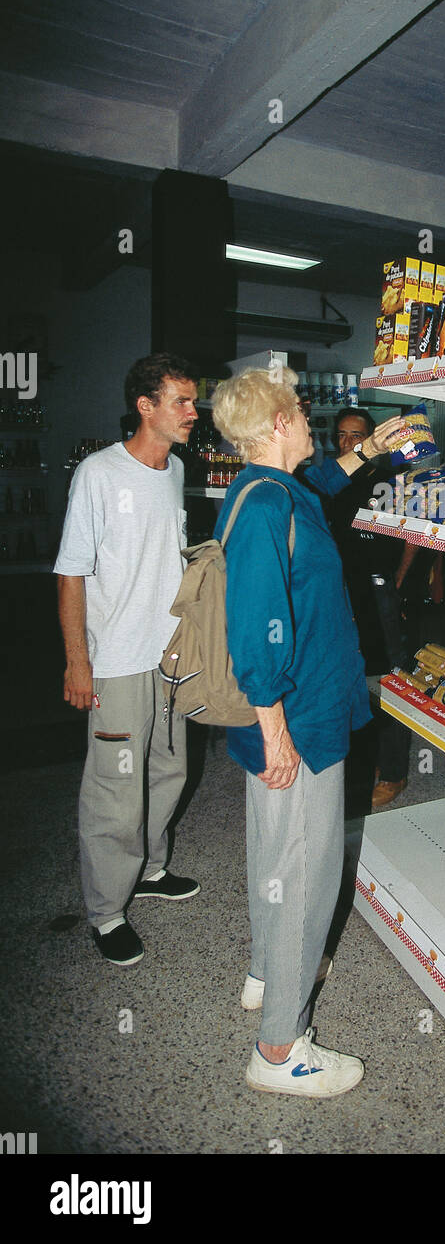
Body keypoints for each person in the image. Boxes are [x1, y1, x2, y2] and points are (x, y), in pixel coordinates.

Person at [210, 366, 403, 1097]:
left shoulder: (275, 490)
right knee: (305, 874)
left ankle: (265, 973)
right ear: (278, 422)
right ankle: (281, 1050)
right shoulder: (265, 508)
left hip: (302, 710)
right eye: (297, 409)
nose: (309, 420)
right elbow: (253, 631)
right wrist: (277, 733)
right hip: (297, 719)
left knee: (274, 855)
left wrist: (369, 449)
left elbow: (318, 484)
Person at [55, 353, 201, 968]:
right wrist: (77, 663)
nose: (194, 413)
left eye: (194, 402)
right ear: (146, 405)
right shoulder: (98, 473)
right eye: (182, 402)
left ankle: (151, 867)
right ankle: (107, 910)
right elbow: (70, 573)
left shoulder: (174, 470)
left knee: (169, 769)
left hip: (170, 653)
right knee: (116, 787)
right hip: (114, 659)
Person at [327, 407, 419, 810]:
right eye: (343, 436)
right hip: (338, 593)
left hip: (379, 591)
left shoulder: (391, 481)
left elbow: (414, 535)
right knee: (349, 678)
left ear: (373, 440)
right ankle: (355, 764)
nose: (350, 443)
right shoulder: (327, 481)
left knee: (388, 682)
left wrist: (396, 582)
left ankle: (395, 773)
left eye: (357, 436)